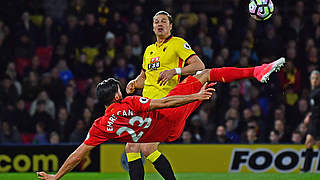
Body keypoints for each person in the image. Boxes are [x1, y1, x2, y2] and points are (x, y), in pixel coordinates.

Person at [37, 57, 285, 180]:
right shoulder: (130, 102)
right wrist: (196, 96)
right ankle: (256, 71)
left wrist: (57, 176)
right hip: (169, 117)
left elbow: (78, 154)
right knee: (206, 73)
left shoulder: (101, 126)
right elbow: (165, 102)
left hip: (161, 134)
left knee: (135, 147)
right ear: (116, 94)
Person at [125, 10, 205, 180]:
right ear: (153, 27)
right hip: (145, 103)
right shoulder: (149, 50)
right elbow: (144, 78)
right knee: (139, 148)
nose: (159, 24)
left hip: (164, 104)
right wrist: (133, 83)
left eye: (163, 21)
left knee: (139, 148)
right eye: (156, 22)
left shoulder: (177, 43)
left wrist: (175, 71)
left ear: (170, 26)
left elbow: (199, 65)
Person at [301, 70, 320, 172]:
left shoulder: (318, 92)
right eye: (313, 78)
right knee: (310, 143)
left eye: (317, 78)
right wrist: (309, 115)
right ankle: (306, 169)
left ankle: (306, 168)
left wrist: (311, 115)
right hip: (314, 121)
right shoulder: (313, 91)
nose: (315, 80)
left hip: (317, 121)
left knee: (311, 143)